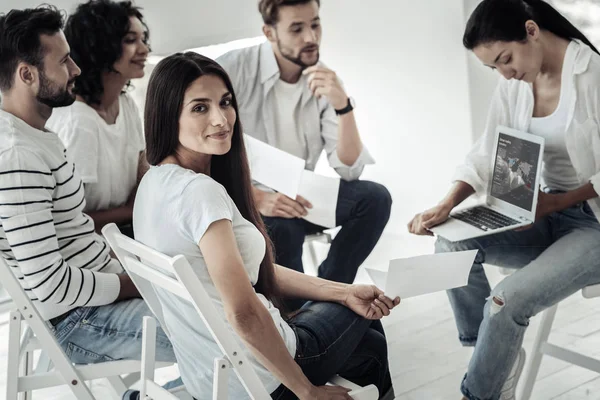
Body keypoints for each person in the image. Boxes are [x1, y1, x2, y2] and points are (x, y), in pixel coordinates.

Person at [133, 51, 399, 400]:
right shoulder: (200, 193)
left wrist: (343, 290)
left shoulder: (152, 184)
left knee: (364, 330)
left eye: (225, 103)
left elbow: (251, 273)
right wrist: (305, 391)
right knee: (370, 333)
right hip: (260, 373)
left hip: (211, 373)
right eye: (200, 108)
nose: (221, 119)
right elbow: (243, 312)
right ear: (168, 115)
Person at [408, 1, 600, 399]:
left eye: (505, 59)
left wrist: (558, 203)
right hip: (543, 213)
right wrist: (447, 204)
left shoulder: (592, 74)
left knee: (505, 301)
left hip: (593, 223)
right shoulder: (514, 83)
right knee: (449, 244)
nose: (505, 73)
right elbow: (487, 152)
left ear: (531, 30)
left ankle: (479, 391)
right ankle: (496, 358)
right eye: (493, 67)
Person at [0, 6, 181, 398]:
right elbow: (52, 288)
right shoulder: (17, 156)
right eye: (64, 61)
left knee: (242, 315)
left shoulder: (36, 136)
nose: (76, 69)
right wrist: (136, 283)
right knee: (234, 334)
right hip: (79, 320)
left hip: (101, 290)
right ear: (27, 75)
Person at [216, 0, 392, 293]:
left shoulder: (324, 79)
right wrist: (256, 196)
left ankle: (331, 292)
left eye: (315, 24)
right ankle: (297, 317)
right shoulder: (232, 70)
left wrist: (343, 106)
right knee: (281, 229)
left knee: (375, 199)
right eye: (297, 28)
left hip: (299, 195)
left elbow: (349, 170)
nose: (311, 37)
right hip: (244, 197)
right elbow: (202, 154)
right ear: (270, 33)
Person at [46, 0, 150, 237]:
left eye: (143, 39)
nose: (144, 49)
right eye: (130, 40)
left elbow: (142, 163)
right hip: (87, 243)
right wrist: (132, 210)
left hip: (125, 232)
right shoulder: (79, 121)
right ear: (101, 47)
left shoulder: (126, 104)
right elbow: (68, 222)